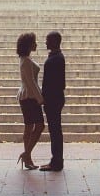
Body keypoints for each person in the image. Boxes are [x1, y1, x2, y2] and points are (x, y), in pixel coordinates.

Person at [15, 32, 44, 170]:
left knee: (29, 128)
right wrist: (40, 99)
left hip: (28, 97)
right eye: (34, 42)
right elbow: (31, 82)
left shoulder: (25, 59)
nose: (36, 44)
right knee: (38, 126)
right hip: (30, 98)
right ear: (28, 45)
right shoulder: (26, 61)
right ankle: (27, 155)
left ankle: (27, 158)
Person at [40, 31, 65, 171]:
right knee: (55, 130)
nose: (45, 42)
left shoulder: (55, 59)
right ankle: (56, 160)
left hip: (53, 100)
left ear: (54, 42)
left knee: (55, 131)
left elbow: (52, 83)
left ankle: (56, 162)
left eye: (48, 40)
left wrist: (45, 98)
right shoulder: (57, 57)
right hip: (55, 98)